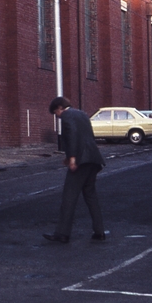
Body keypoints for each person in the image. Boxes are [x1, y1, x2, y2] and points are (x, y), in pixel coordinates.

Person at [43, 97, 106, 243]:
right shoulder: (82, 114)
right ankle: (99, 231)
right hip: (93, 159)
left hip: (81, 161)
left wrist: (72, 158)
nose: (57, 116)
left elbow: (71, 135)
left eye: (55, 113)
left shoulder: (66, 116)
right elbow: (86, 137)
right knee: (91, 196)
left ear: (59, 108)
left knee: (69, 197)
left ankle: (62, 233)